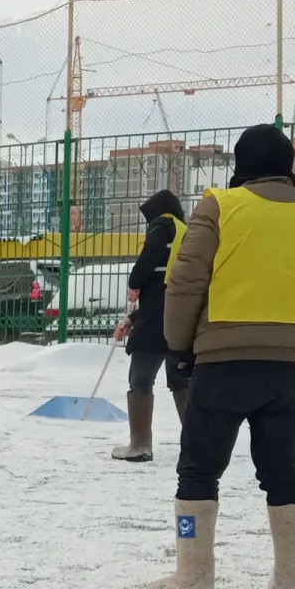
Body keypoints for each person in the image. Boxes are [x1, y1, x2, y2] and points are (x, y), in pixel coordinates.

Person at [147, 123, 295, 589]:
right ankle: (292, 583)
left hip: (223, 357)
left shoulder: (220, 206)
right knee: (283, 469)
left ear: (241, 166)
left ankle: (193, 579)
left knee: (198, 468)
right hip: (287, 365)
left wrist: (178, 345)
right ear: (290, 166)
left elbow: (187, 281)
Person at [112, 188, 191, 462]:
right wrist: (131, 320)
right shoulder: (185, 231)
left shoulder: (163, 224)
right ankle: (197, 444)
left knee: (141, 380)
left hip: (155, 325)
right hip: (180, 319)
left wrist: (134, 281)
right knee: (181, 381)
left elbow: (151, 254)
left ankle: (140, 445)